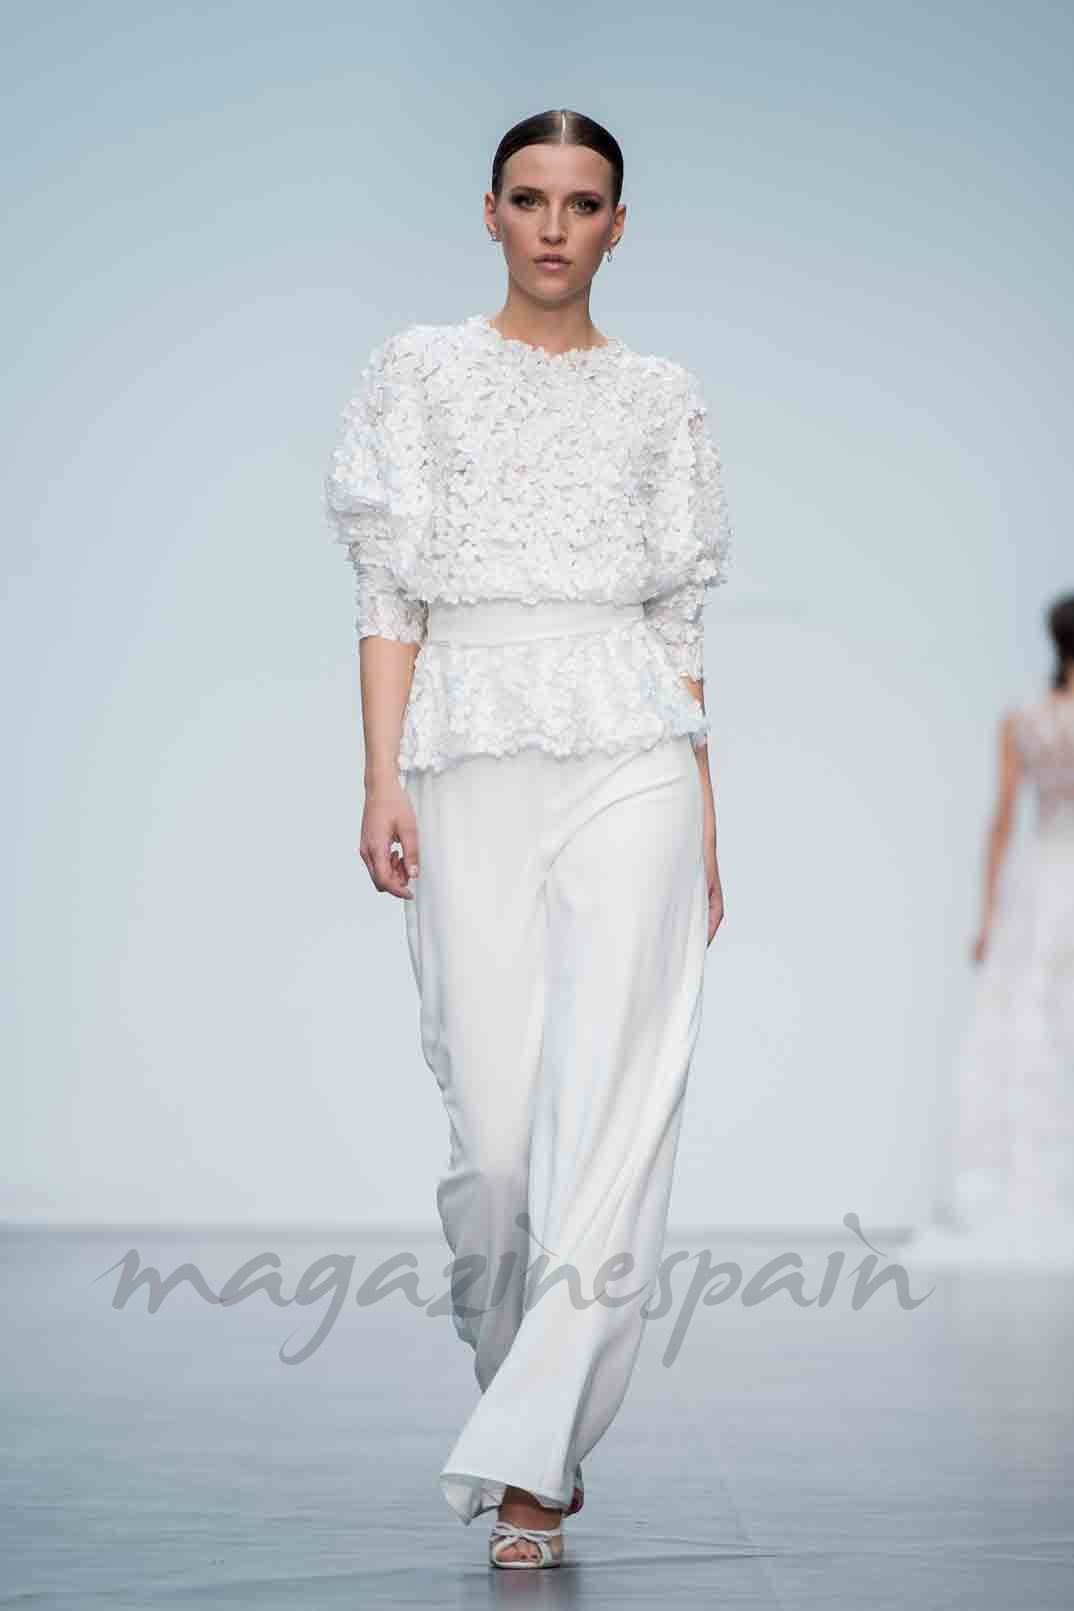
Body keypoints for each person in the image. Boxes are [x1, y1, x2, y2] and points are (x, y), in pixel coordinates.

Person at [323, 108, 733, 1568]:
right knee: (493, 1146)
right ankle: (522, 1402)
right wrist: (379, 780)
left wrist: (710, 823)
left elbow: (679, 628)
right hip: (466, 751)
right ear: (489, 212)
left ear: (619, 225)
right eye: (530, 198)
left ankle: (531, 1471)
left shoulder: (663, 397)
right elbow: (389, 596)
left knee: (622, 1104)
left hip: (634, 750)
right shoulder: (418, 371)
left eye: (584, 202)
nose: (555, 224)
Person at [905, 593, 1074, 1269]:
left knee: (1027, 1017)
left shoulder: (1024, 721)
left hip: (1039, 879)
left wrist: (986, 916)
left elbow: (1002, 820)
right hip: (1056, 876)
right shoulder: (1022, 720)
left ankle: (1024, 1173)